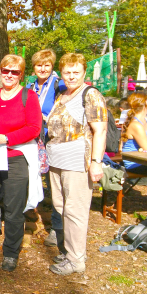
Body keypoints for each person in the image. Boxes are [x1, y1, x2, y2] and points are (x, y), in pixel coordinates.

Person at [0, 54, 42, 272]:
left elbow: (34, 128)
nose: (9, 75)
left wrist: (6, 138)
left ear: (21, 74)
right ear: (1, 72)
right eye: (6, 70)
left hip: (16, 158)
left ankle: (11, 252)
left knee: (13, 208)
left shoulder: (28, 96)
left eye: (15, 71)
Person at [46, 53, 107, 275]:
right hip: (56, 161)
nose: (71, 77)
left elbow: (99, 131)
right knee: (61, 207)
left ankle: (76, 260)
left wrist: (96, 162)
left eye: (76, 72)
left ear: (84, 73)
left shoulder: (90, 95)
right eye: (67, 72)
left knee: (75, 210)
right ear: (61, 73)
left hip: (77, 161)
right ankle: (70, 251)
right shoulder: (61, 94)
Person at [26, 49, 66, 248]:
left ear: (52, 66)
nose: (43, 69)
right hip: (33, 138)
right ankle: (28, 219)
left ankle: (58, 229)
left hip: (53, 139)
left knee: (54, 184)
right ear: (34, 67)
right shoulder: (30, 85)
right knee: (30, 178)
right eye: (39, 65)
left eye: (47, 65)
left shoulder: (60, 84)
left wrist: (47, 117)